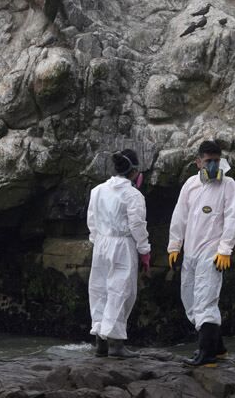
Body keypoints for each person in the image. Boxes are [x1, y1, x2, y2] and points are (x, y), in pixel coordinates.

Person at [167, 139, 235, 367]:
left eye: (217, 161)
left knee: (205, 300)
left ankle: (206, 354)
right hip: (190, 252)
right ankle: (218, 349)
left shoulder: (228, 185)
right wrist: (174, 245)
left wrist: (225, 249)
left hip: (212, 253)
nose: (213, 165)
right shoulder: (190, 185)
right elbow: (180, 216)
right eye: (209, 161)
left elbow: (231, 217)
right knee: (189, 300)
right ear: (198, 162)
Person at [87, 148, 151, 358]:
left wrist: (97, 241)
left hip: (101, 244)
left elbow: (92, 221)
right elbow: (137, 225)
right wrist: (145, 252)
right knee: (120, 291)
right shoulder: (133, 195)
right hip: (122, 245)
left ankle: (100, 343)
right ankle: (116, 345)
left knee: (99, 290)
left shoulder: (97, 190)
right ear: (134, 172)